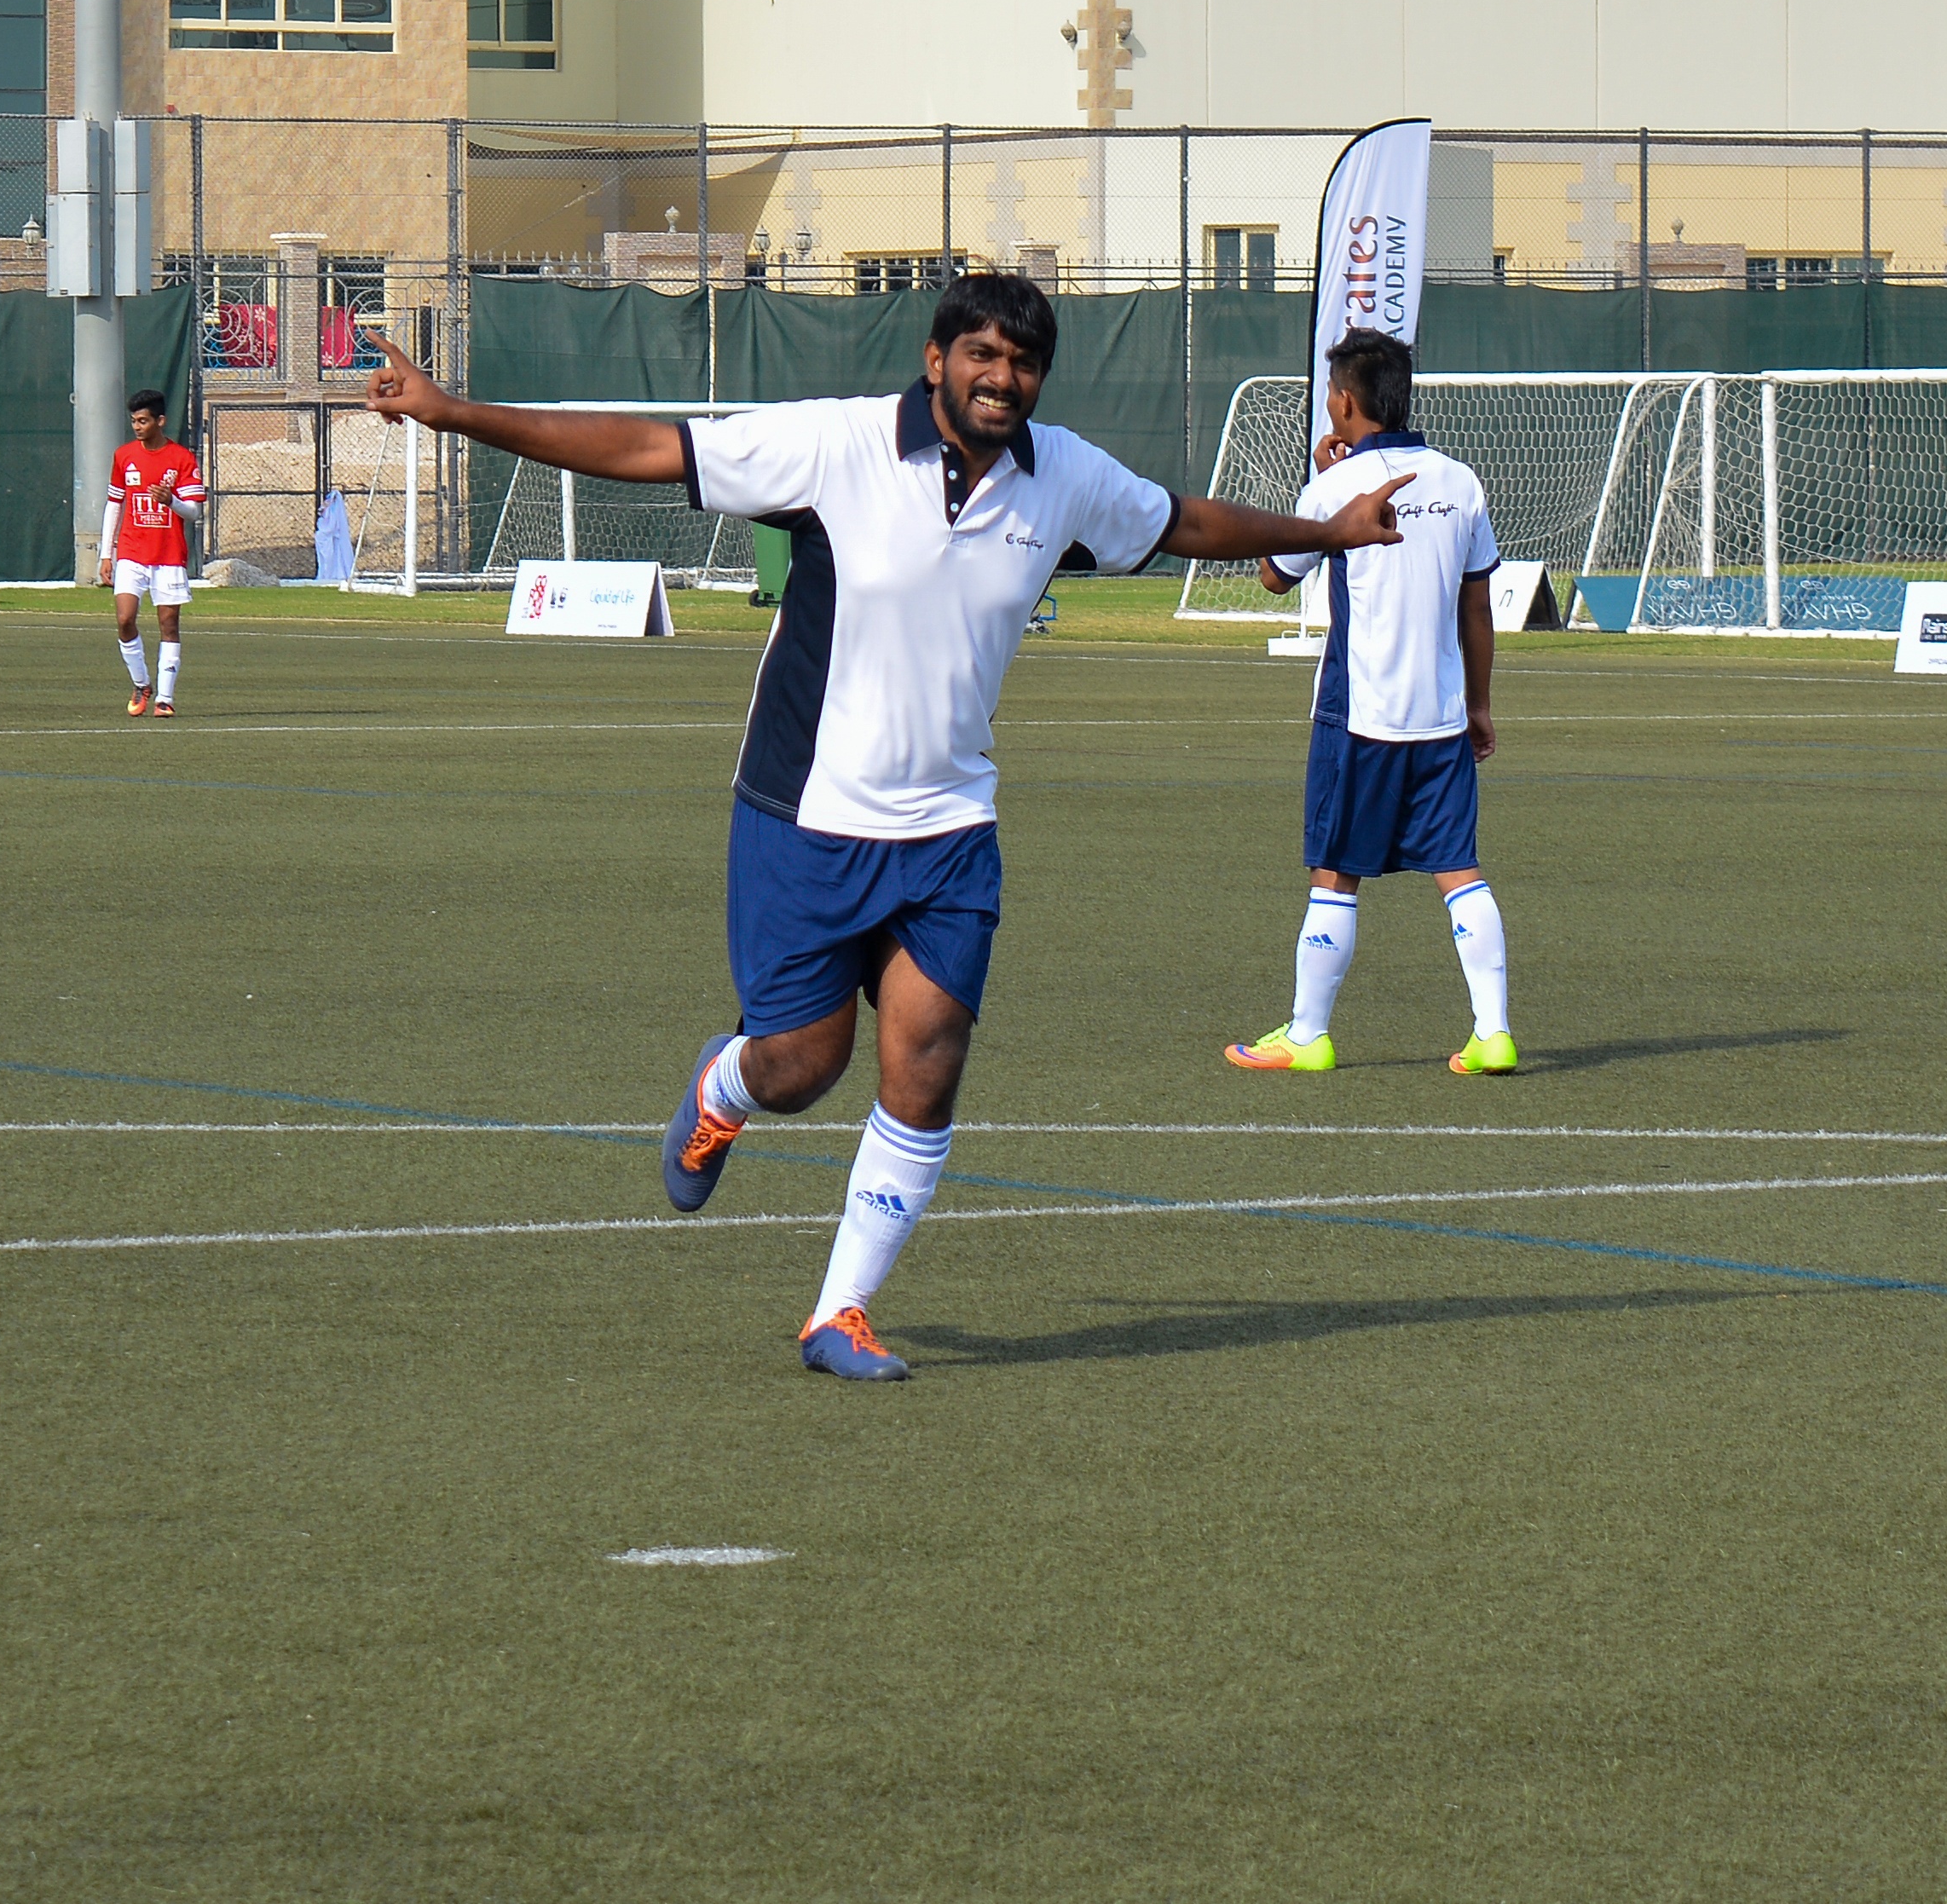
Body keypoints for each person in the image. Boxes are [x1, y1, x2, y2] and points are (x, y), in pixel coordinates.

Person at [365, 274, 1410, 1381]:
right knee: (801, 1064)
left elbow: (1183, 520)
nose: (1001, 377)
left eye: (1022, 361)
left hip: (951, 825)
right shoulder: (837, 444)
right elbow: (648, 447)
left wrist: (1328, 531)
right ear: (935, 358)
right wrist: (453, 413)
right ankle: (724, 1087)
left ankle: (839, 1313)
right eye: (982, 354)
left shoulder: (1062, 476)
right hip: (806, 815)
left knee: (927, 1060)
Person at [1226, 330, 1514, 1076]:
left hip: (1359, 715)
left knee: (1335, 872)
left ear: (1346, 402)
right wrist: (1480, 705)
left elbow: (1272, 576)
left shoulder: (1335, 488)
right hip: (1441, 717)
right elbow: (1477, 608)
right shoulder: (1461, 481)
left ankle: (1308, 1034)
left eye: (1331, 393)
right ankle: (1493, 1031)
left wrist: (1323, 488)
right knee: (1460, 868)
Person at [107, 388, 205, 718]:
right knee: (125, 619)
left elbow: (193, 512)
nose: (137, 427)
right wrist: (106, 554)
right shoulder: (124, 456)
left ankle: (165, 698)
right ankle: (141, 683)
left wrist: (171, 501)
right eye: (134, 421)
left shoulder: (182, 459)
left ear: (160, 421)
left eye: (143, 421)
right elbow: (114, 504)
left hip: (168, 555)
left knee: (169, 625)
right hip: (131, 553)